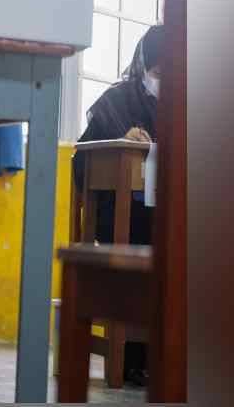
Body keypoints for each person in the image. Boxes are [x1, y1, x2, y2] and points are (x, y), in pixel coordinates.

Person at [74, 23, 163, 386]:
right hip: (121, 212)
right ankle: (132, 357)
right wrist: (121, 139)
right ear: (143, 68)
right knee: (143, 236)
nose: (165, 81)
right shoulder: (117, 102)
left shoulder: (187, 106)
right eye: (159, 73)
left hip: (165, 215)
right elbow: (82, 159)